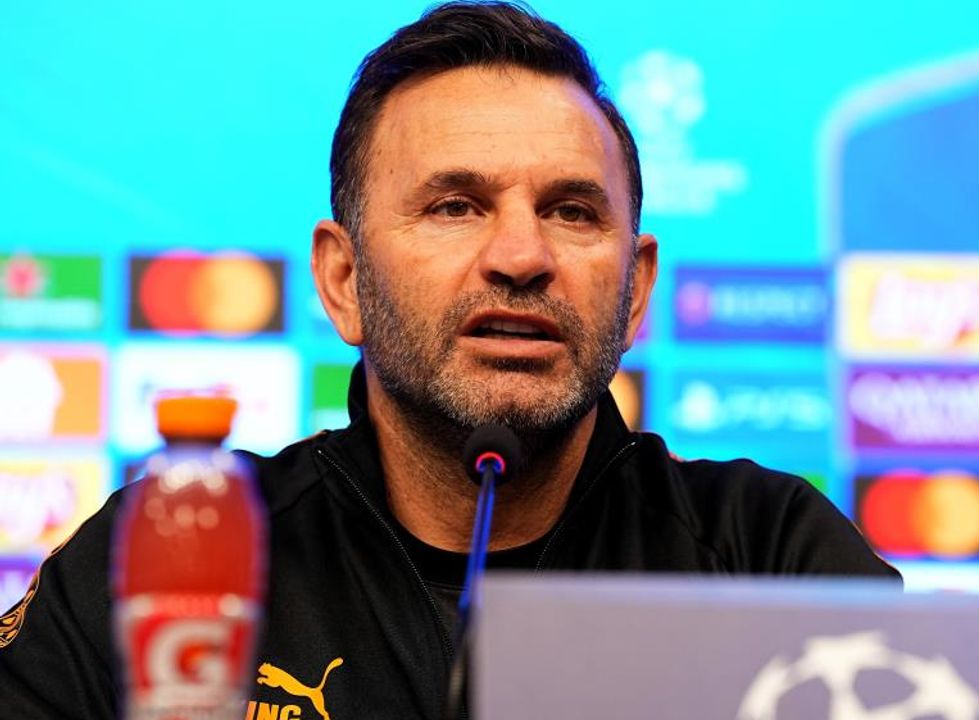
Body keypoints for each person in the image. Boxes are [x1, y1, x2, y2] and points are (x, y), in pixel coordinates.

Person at [0, 2, 899, 717]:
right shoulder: (171, 556)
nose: (521, 256)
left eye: (572, 212)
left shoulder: (769, 555)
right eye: (455, 206)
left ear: (634, 292)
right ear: (343, 280)